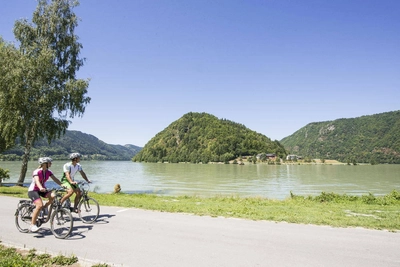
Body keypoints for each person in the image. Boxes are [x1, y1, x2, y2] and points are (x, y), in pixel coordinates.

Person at [27, 157, 63, 232]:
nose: (51, 164)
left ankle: (44, 207)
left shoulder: (48, 171)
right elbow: (37, 181)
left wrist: (62, 185)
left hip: (43, 189)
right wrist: (40, 187)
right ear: (44, 164)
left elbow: (55, 179)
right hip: (33, 190)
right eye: (49, 163)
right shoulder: (37, 171)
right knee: (39, 205)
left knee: (53, 196)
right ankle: (32, 225)